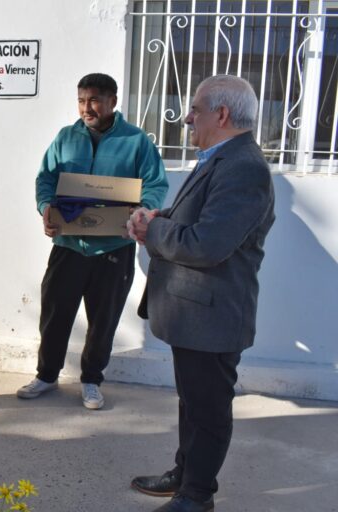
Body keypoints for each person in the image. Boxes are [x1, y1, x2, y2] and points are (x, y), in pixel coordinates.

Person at [127, 75, 275, 512]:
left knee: (208, 410)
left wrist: (153, 228)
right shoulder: (221, 158)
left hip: (212, 317)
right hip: (194, 313)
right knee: (191, 402)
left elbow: (207, 244)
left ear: (222, 114)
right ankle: (185, 473)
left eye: (195, 109)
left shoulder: (243, 167)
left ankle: (197, 496)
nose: (187, 117)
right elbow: (192, 217)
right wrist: (157, 218)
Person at [17, 73, 168, 409]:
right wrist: (46, 208)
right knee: (55, 315)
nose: (88, 107)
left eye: (95, 100)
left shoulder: (136, 140)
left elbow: (155, 184)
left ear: (113, 102)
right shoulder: (66, 137)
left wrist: (143, 210)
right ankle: (47, 375)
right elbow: (46, 178)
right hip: (68, 246)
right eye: (82, 100)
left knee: (104, 319)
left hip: (114, 247)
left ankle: (91, 381)